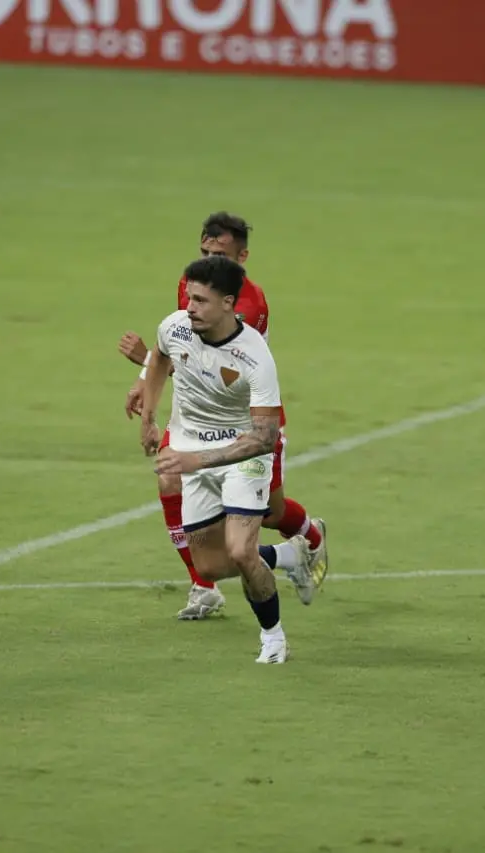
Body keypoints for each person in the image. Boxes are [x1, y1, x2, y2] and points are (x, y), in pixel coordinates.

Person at [120, 212, 327, 620]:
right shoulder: (194, 282)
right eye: (205, 251)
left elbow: (212, 373)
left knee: (269, 510)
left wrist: (144, 360)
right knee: (168, 478)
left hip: (242, 419)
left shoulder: (248, 305)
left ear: (243, 257)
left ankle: (307, 541)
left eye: (222, 254)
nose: (211, 260)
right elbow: (175, 345)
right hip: (195, 417)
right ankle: (204, 585)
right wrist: (147, 381)